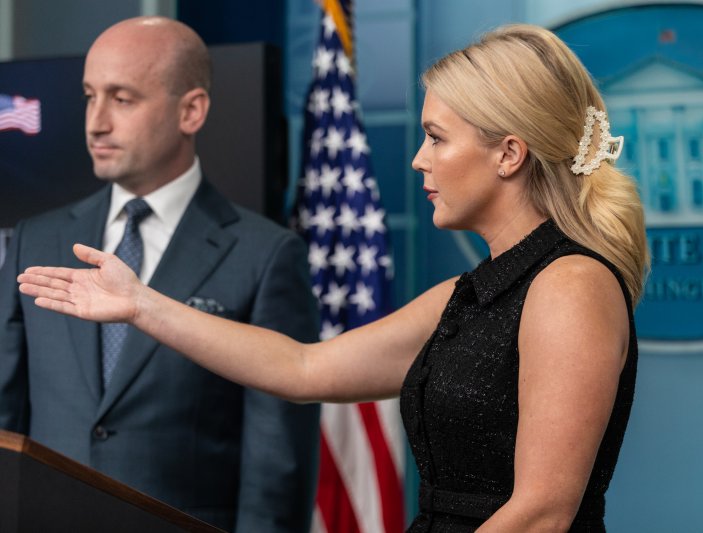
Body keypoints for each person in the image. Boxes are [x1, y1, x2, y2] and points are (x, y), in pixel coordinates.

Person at [18, 24, 650, 532]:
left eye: (436, 138)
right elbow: (303, 369)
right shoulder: (469, 294)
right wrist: (141, 305)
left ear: (508, 153)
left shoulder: (571, 284)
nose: (418, 159)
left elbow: (542, 514)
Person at [1, 16, 321, 532]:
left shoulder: (265, 255)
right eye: (90, 96)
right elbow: (5, 419)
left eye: (122, 99)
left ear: (191, 111)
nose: (96, 122)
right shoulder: (36, 240)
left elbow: (276, 466)